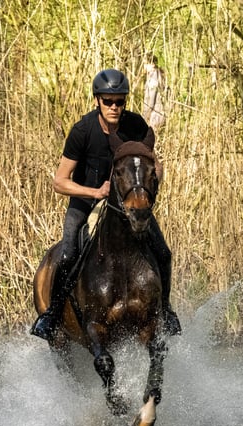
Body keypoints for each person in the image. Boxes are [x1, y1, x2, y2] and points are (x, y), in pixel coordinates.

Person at [31, 68, 181, 341]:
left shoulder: (135, 126)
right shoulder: (82, 131)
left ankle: (167, 312)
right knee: (68, 254)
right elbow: (59, 181)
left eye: (119, 101)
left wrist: (150, 185)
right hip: (86, 203)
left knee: (163, 252)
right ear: (97, 100)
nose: (114, 107)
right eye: (108, 101)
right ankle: (51, 316)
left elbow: (153, 163)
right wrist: (95, 191)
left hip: (127, 204)